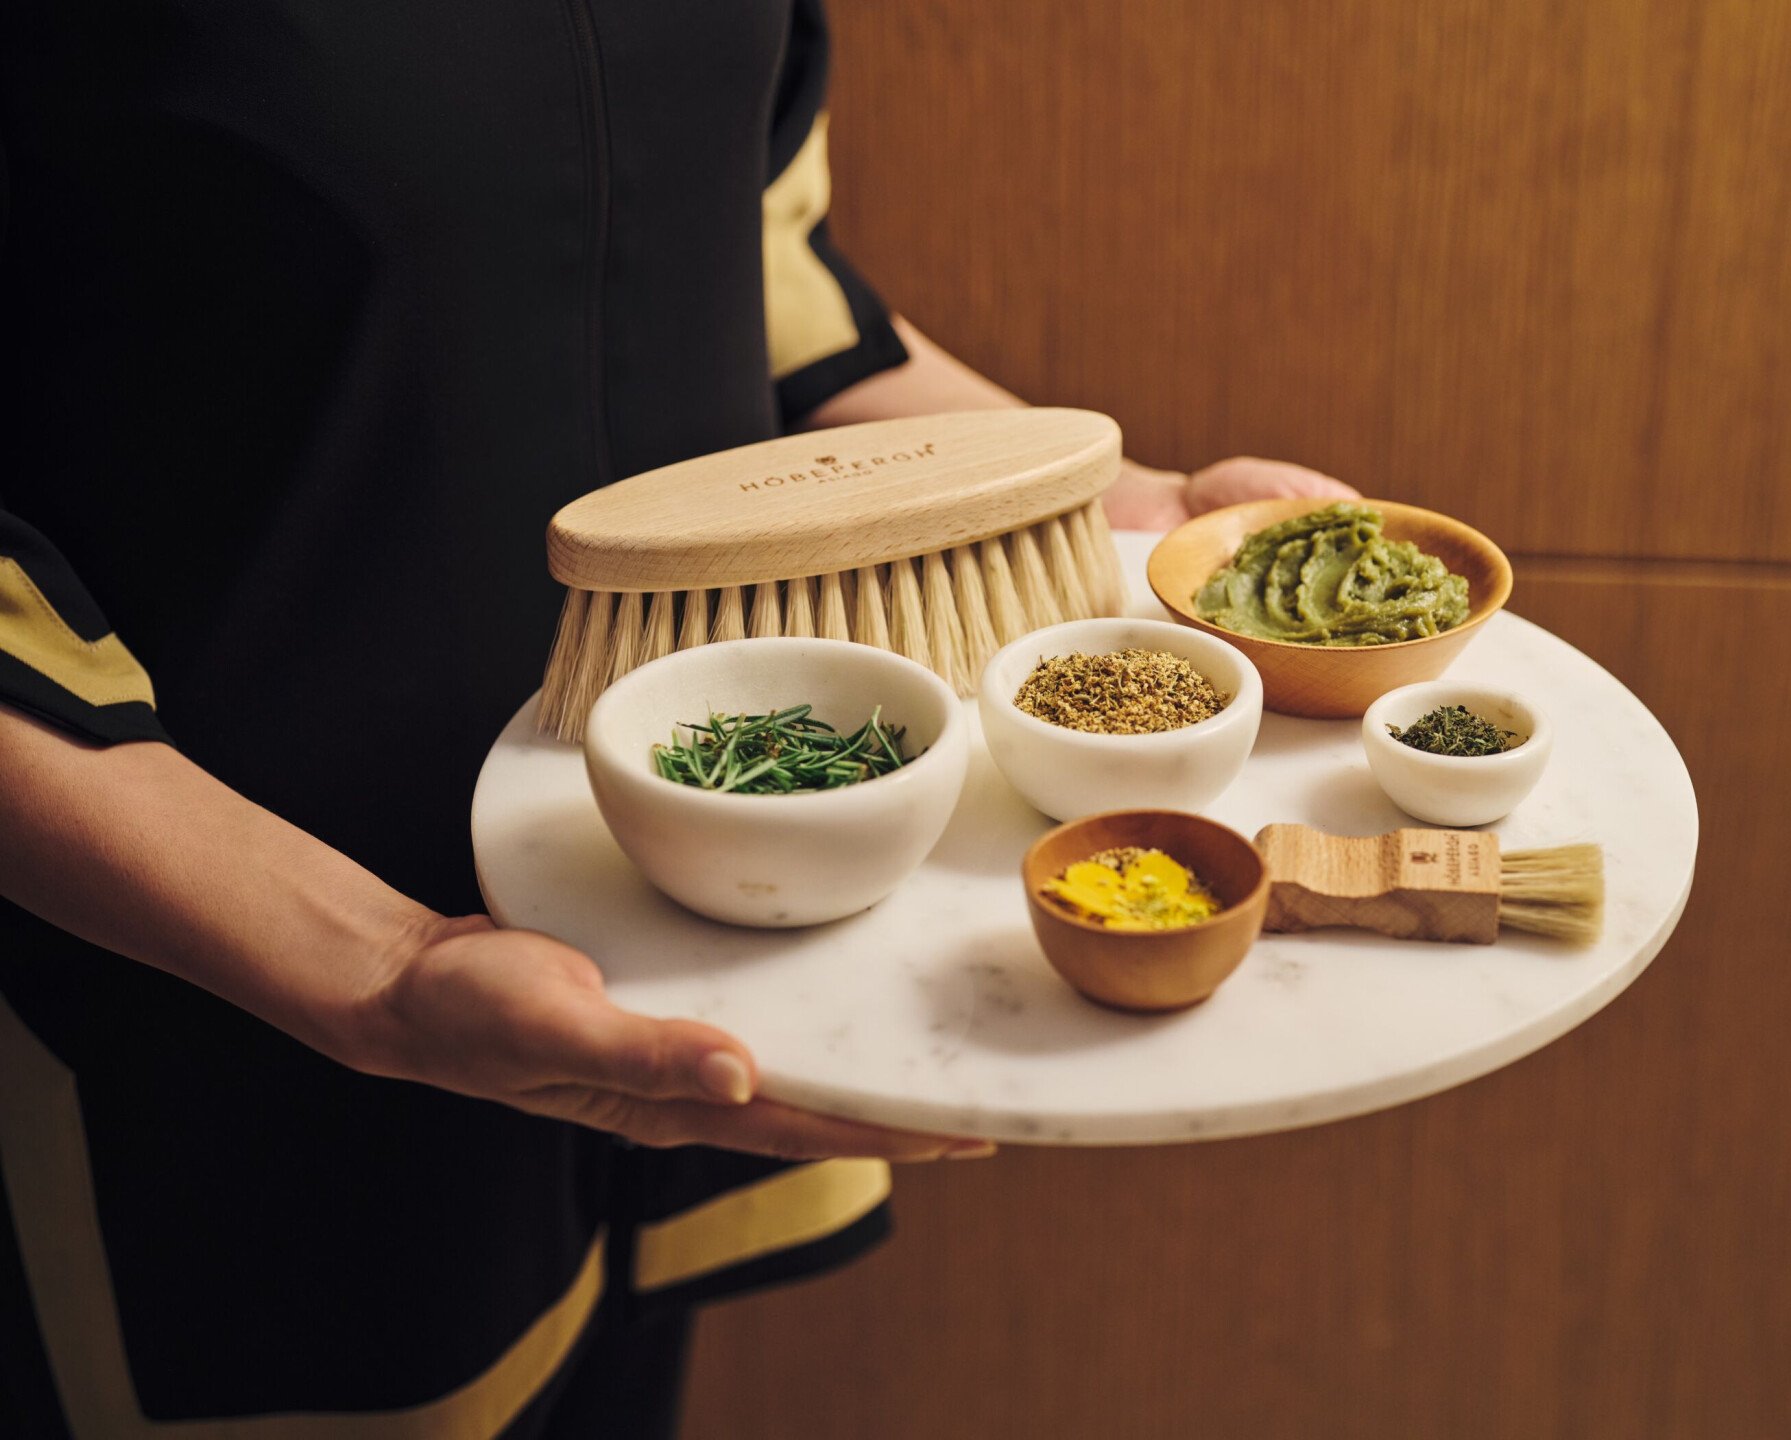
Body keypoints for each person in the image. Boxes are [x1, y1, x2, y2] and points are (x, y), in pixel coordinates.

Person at [0, 3, 1354, 1435]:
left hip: (717, 901)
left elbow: (749, 241)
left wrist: (1111, 499)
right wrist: (379, 969)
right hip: (221, 959)